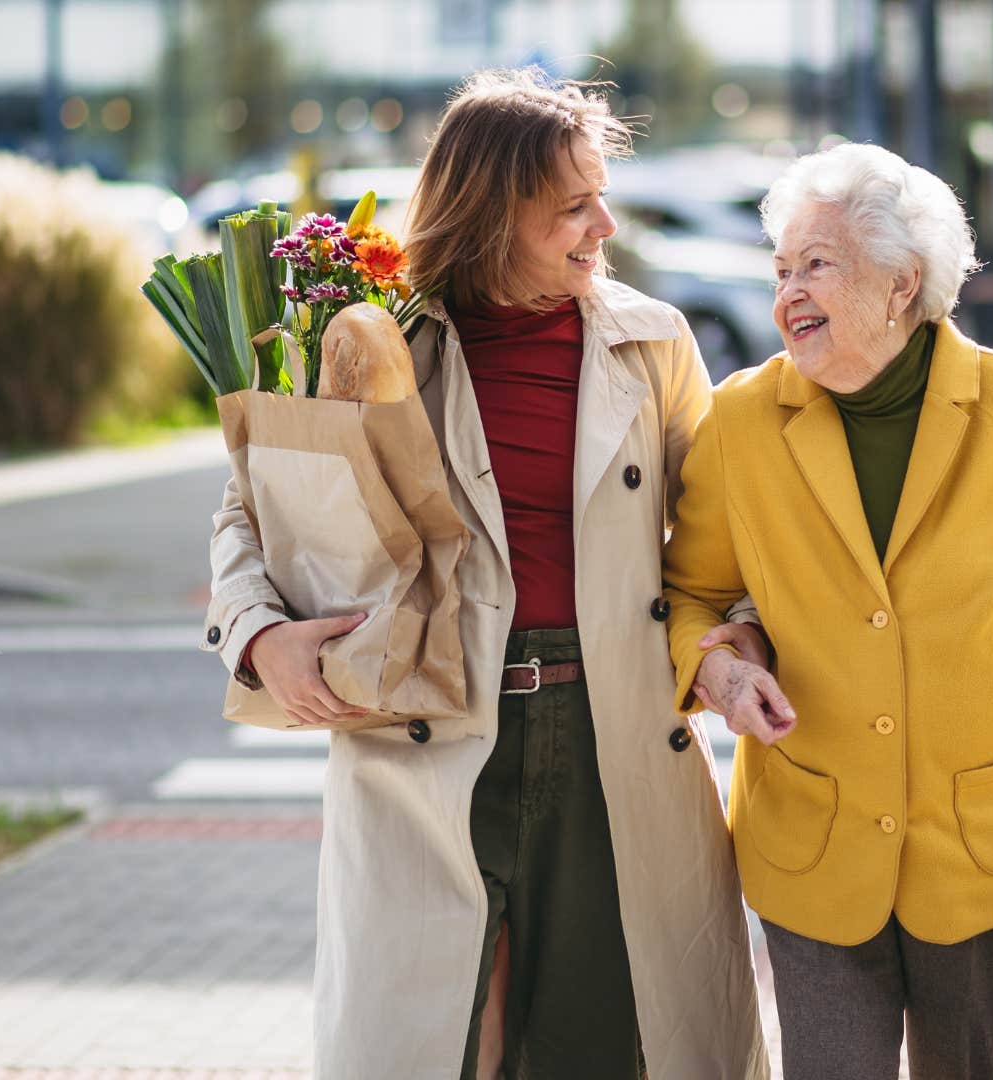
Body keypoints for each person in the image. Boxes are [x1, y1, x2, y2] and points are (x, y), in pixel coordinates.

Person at [205, 68, 769, 1080]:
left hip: (616, 739)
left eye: (601, 193)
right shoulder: (370, 337)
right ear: (495, 212)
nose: (603, 223)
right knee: (451, 1048)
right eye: (572, 206)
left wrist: (739, 645)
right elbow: (253, 505)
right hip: (426, 742)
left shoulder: (653, 344)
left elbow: (724, 543)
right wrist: (257, 634)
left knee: (611, 1050)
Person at [662, 143, 993, 1080]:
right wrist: (719, 671)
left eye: (817, 266)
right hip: (814, 847)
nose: (787, 295)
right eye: (781, 270)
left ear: (901, 285)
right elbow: (689, 595)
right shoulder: (742, 421)